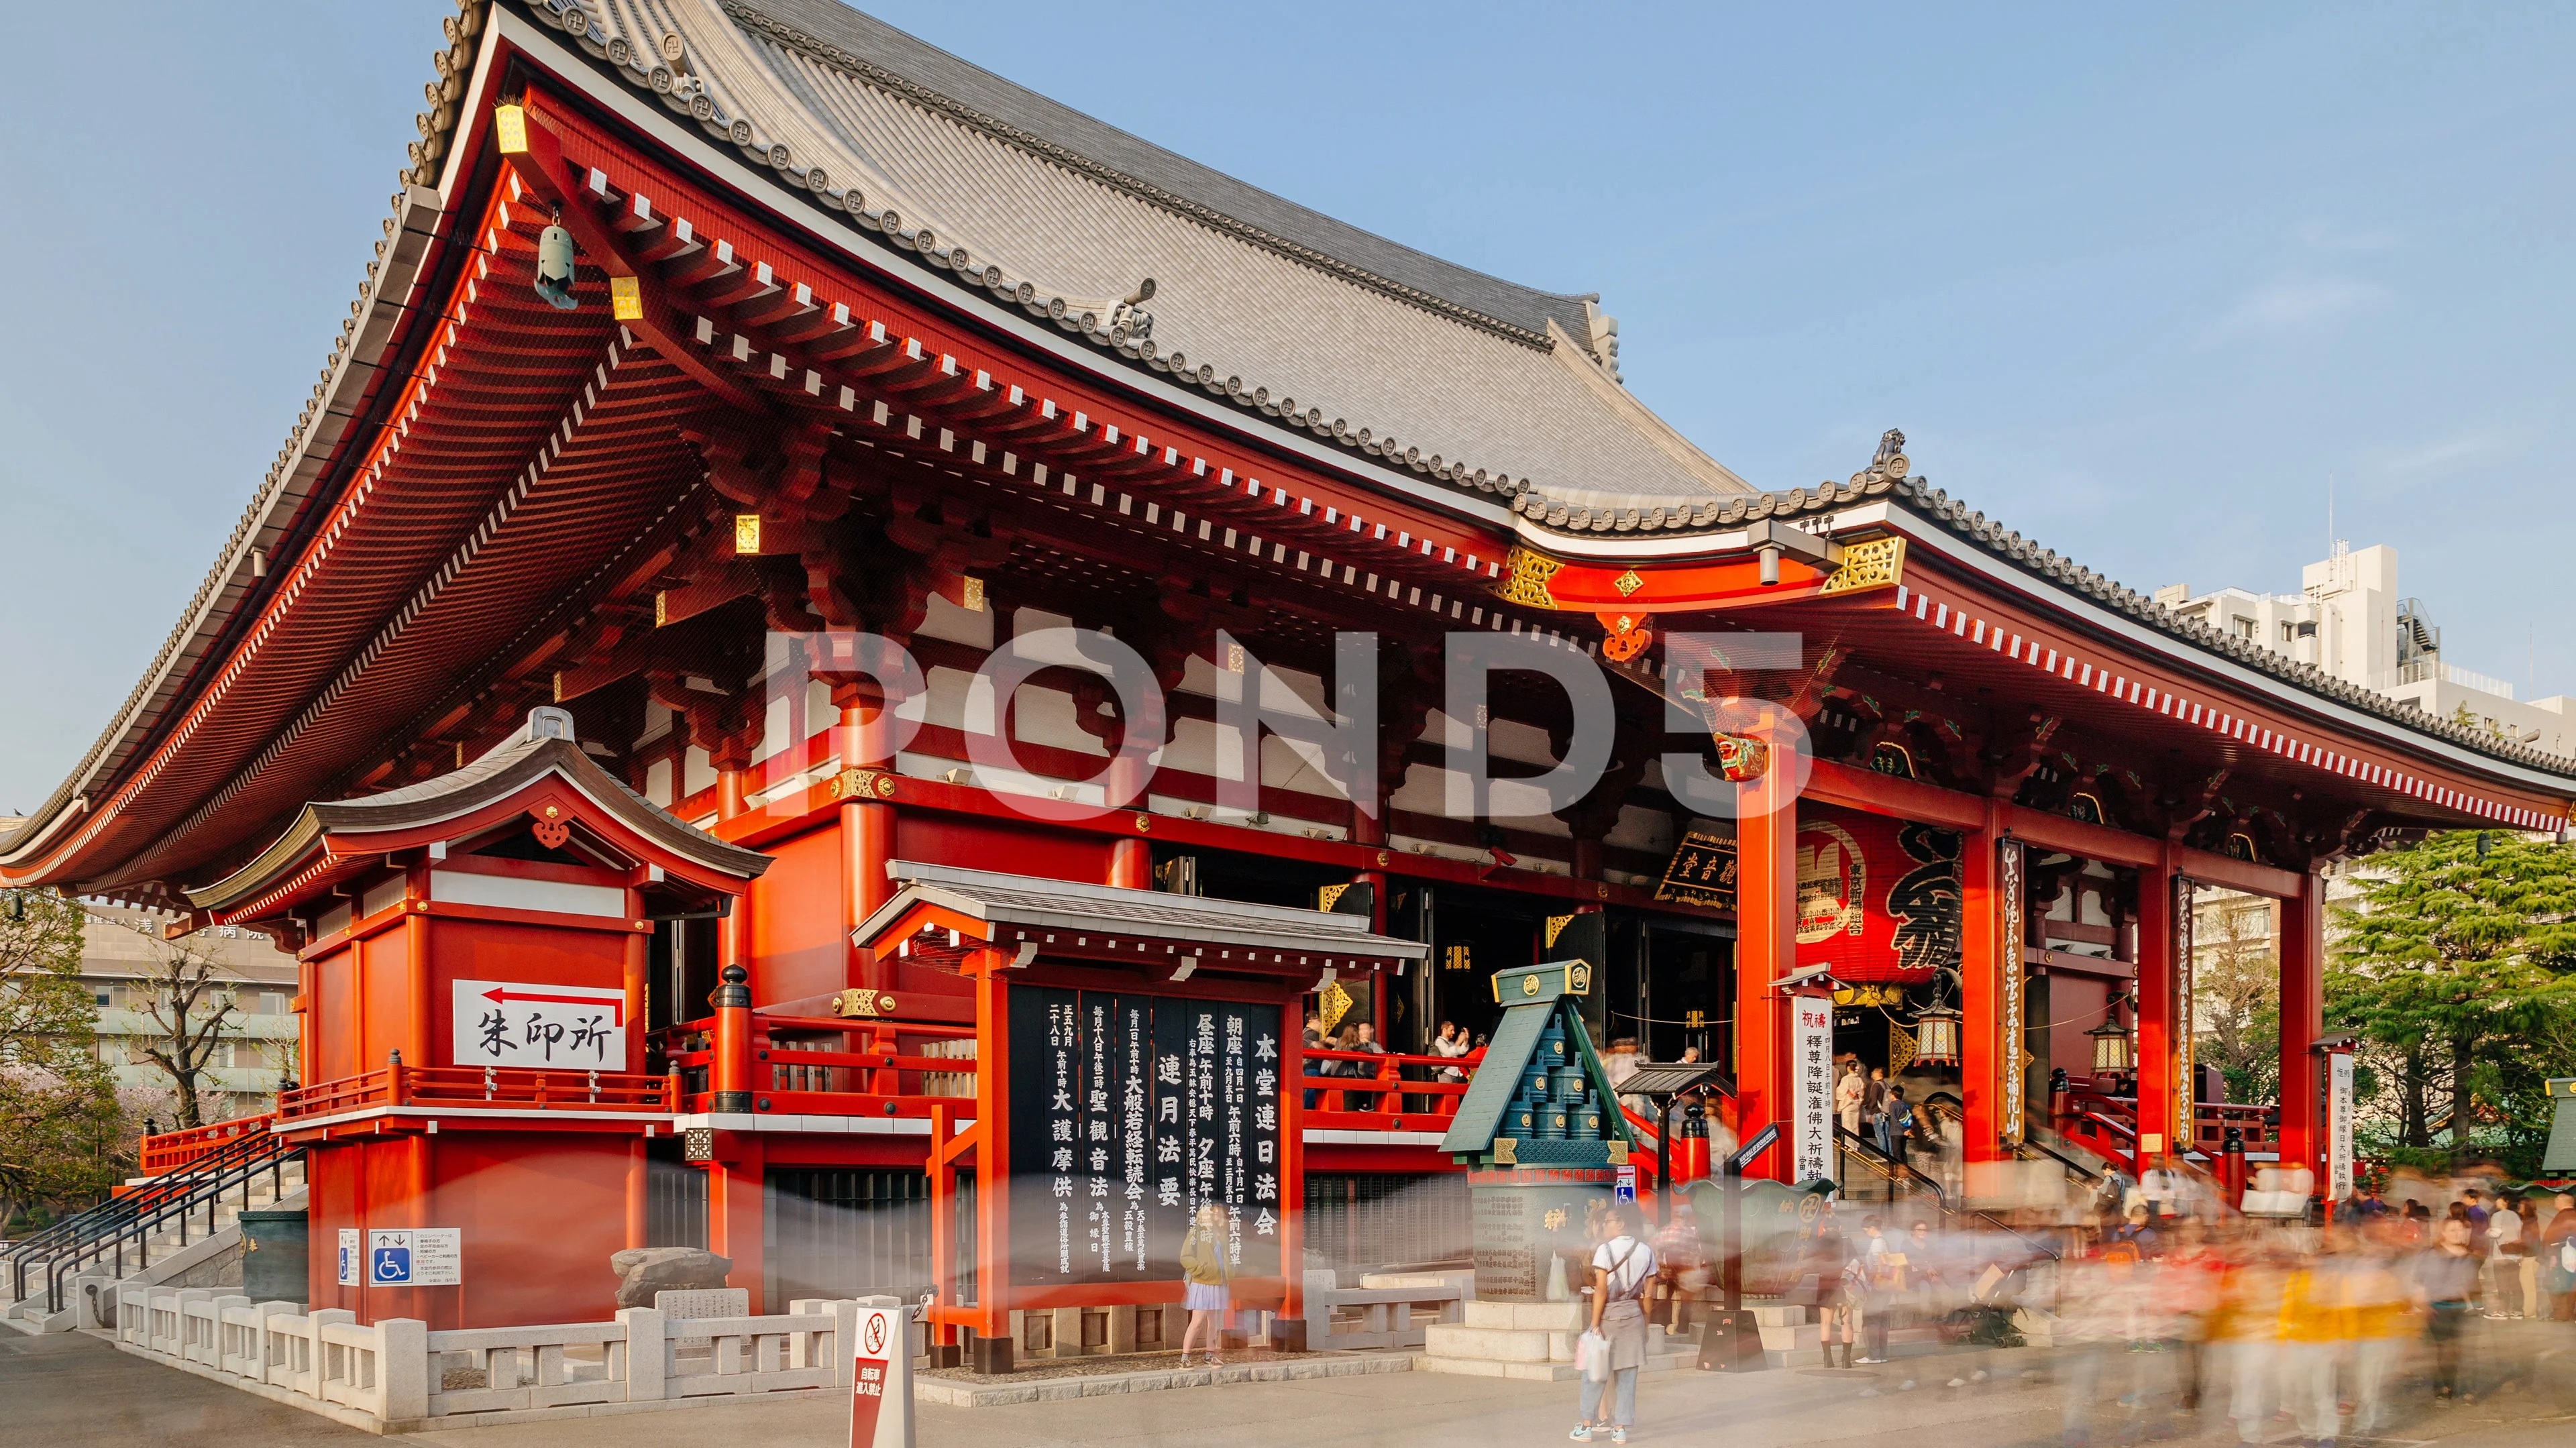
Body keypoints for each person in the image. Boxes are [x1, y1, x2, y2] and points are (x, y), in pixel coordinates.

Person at [1570, 1202, 1656, 1445]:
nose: (1604, 1225)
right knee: (1628, 1376)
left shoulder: (1605, 1251)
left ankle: (1586, 1426)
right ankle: (1620, 1429)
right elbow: (1649, 1293)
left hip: (1608, 1316)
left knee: (1595, 1372)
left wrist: (1595, 1324)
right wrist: (1646, 1322)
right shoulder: (1647, 1251)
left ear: (1621, 1223)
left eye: (1608, 1221)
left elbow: (1600, 1291)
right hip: (1634, 1316)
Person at [2413, 1215, 2482, 1401]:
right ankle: (2444, 1386)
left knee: (2466, 1350)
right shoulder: (2430, 1254)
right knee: (2443, 1351)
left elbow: (2472, 1284)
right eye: (2453, 1230)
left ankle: (2469, 1388)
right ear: (2443, 1233)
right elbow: (2419, 1282)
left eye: (2460, 1230)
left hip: (2464, 1308)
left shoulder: (2470, 1256)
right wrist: (2422, 1305)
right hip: (2438, 1307)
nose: (2458, 1233)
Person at [1177, 1203, 1234, 1369]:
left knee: (1214, 1323)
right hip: (1202, 1282)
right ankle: (1185, 1358)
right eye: (1213, 1213)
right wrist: (1201, 1269)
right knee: (1198, 1321)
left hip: (1219, 1282)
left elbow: (1225, 1257)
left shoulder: (1222, 1234)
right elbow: (1185, 1256)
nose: (1216, 1216)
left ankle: (1210, 1355)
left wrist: (1230, 1273)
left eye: (1218, 1214)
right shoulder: (1197, 1231)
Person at [2485, 1190, 2526, 1319]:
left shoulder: (2498, 1216)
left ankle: (2503, 1311)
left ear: (2505, 1202)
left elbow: (2496, 1233)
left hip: (2501, 1256)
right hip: (2515, 1254)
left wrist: (2488, 1232)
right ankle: (2518, 1311)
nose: (2496, 1202)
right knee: (2515, 1284)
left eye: (2498, 1199)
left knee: (2502, 1285)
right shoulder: (2516, 1215)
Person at [2540, 1192, 2576, 1322]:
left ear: (2562, 1202)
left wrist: (2552, 1257)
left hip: (2561, 1259)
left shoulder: (2562, 1218)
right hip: (2572, 1260)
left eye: (2556, 1200)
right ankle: (2570, 1313)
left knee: (2557, 1285)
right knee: (2572, 1286)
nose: (2555, 1203)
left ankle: (2561, 1314)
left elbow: (2552, 1240)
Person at [2139, 1154, 2186, 1222]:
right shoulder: (2146, 1175)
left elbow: (2178, 1190)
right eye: (2155, 1159)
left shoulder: (2172, 1174)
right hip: (2154, 1205)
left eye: (2160, 1159)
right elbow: (2146, 1192)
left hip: (2171, 1203)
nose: (2158, 1161)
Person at [1835, 1060, 1868, 1139]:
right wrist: (1857, 1095)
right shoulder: (1859, 1079)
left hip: (1848, 1104)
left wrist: (1848, 1093)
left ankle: (1849, 1144)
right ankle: (1855, 1144)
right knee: (1855, 1125)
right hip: (1856, 1103)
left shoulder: (1846, 1079)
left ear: (1848, 1068)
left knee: (1847, 1125)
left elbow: (1841, 1091)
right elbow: (1862, 1092)